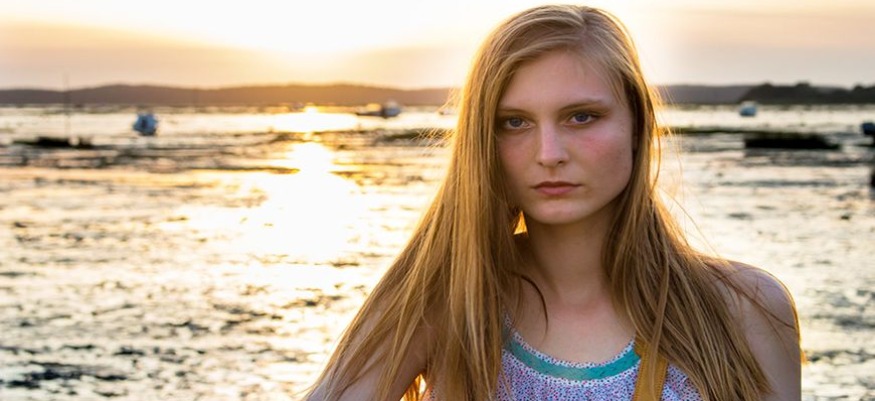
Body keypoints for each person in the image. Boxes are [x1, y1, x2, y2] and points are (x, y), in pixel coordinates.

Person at [304, 4, 801, 400]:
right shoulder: (445, 301)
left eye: (581, 117)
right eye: (514, 122)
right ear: (482, 143)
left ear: (636, 126)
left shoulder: (744, 309)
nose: (549, 154)